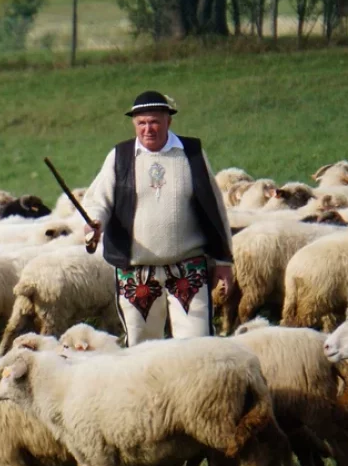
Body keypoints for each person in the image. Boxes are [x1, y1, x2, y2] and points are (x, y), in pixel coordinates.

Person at [81, 91, 234, 346]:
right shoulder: (120, 156)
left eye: (154, 122)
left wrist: (223, 261)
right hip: (138, 271)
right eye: (142, 123)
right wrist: (94, 223)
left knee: (197, 345)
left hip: (188, 268)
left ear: (168, 121)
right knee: (142, 347)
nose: (148, 129)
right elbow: (99, 201)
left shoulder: (191, 153)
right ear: (134, 124)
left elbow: (214, 207)